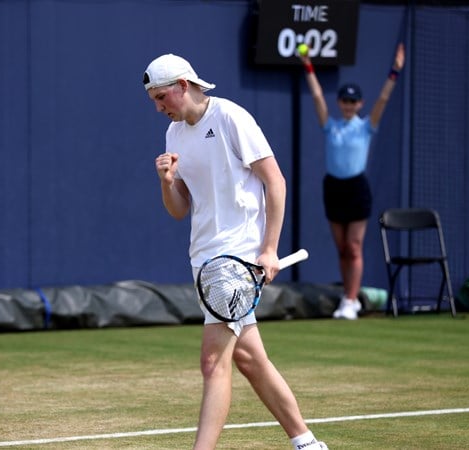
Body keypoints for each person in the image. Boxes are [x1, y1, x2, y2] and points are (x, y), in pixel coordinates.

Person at [144, 54, 327, 450]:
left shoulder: (230, 117)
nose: (159, 107)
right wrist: (167, 181)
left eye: (162, 97)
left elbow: (275, 182)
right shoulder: (173, 135)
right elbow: (179, 210)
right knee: (249, 359)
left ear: (182, 85)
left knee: (213, 363)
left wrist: (269, 249)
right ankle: (308, 443)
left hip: (237, 259)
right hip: (203, 260)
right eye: (154, 100)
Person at [298, 43, 406, 320]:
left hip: (357, 189)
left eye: (352, 101)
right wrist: (308, 65)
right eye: (344, 101)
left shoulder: (366, 126)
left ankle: (350, 299)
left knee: (354, 247)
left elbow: (382, 100)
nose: (348, 105)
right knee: (342, 249)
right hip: (333, 188)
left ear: (359, 104)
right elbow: (317, 95)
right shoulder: (330, 126)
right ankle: (349, 298)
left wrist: (394, 71)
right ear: (340, 104)